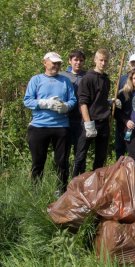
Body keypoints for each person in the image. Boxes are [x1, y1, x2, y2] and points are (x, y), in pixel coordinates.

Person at [23, 52, 77, 192]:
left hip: (61, 126)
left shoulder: (65, 81)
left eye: (58, 63)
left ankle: (61, 191)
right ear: (45, 62)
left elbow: (73, 100)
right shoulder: (36, 80)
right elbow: (27, 100)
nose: (56, 66)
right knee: (38, 162)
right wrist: (44, 103)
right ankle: (35, 192)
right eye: (53, 63)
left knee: (62, 162)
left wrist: (66, 107)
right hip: (39, 126)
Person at [72, 49, 112, 177]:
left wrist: (110, 102)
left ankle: (96, 185)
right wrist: (88, 123)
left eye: (106, 61)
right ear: (95, 60)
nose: (103, 63)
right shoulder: (87, 78)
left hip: (104, 122)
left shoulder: (106, 80)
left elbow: (100, 99)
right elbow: (83, 103)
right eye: (101, 60)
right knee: (81, 156)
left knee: (100, 157)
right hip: (90, 122)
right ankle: (74, 184)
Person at [59, 50, 86, 168]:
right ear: (70, 61)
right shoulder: (62, 76)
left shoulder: (87, 76)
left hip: (82, 120)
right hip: (65, 119)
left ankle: (79, 181)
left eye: (81, 60)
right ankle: (62, 183)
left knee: (80, 153)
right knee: (63, 153)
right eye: (75, 60)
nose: (78, 62)